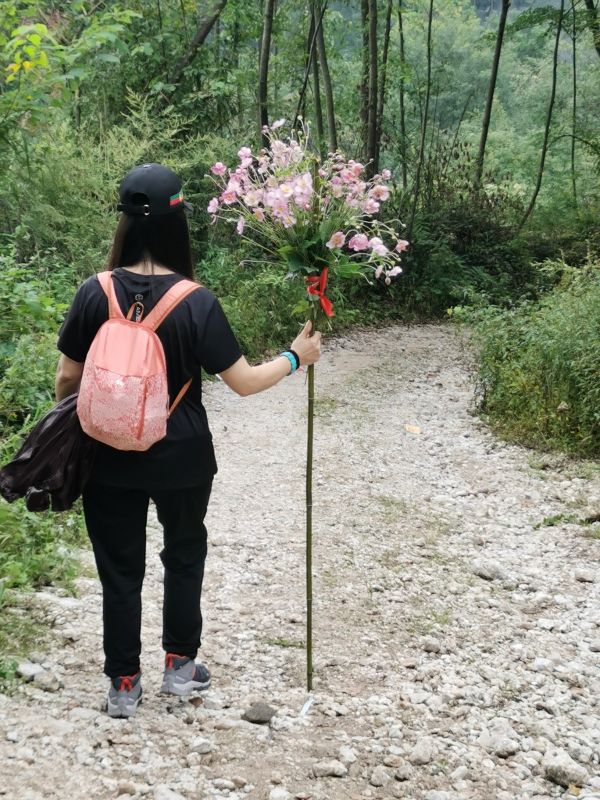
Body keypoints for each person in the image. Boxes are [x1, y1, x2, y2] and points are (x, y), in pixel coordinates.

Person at [55, 163, 321, 718]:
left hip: (107, 456)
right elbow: (243, 382)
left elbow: (66, 380)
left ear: (125, 222)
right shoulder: (195, 300)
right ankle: (179, 666)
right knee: (183, 553)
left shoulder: (93, 292)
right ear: (178, 223)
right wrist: (296, 357)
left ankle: (123, 684)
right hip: (183, 457)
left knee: (119, 568)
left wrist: (89, 422)